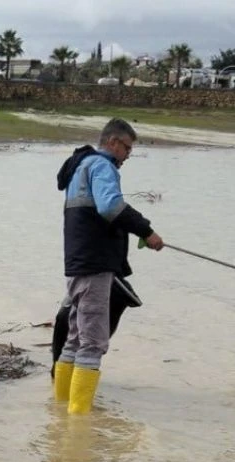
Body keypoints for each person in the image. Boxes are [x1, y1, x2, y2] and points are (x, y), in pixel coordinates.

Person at [52, 118, 163, 414]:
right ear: (113, 142)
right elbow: (110, 206)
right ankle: (79, 422)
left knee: (74, 340)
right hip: (95, 264)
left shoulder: (80, 166)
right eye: (127, 148)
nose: (128, 155)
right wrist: (146, 231)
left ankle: (59, 409)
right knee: (93, 343)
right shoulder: (102, 166)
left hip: (77, 263)